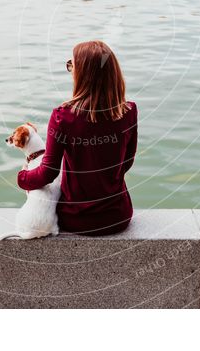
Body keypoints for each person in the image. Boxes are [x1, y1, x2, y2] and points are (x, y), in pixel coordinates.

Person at [17, 40, 138, 236]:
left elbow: (48, 172)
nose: (70, 70)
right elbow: (127, 162)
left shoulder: (62, 117)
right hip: (118, 216)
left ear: (83, 74)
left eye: (71, 65)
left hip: (77, 219)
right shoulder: (129, 111)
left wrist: (23, 178)